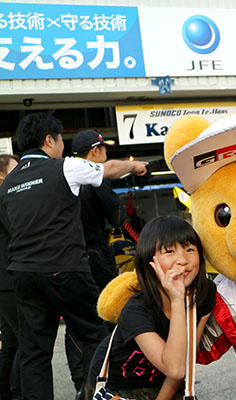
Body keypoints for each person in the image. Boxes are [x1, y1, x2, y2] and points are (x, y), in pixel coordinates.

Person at [0, 112, 148, 400]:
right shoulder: (64, 167)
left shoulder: (8, 184)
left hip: (23, 274)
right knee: (95, 333)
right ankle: (96, 394)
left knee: (34, 352)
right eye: (59, 140)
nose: (62, 147)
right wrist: (137, 166)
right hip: (64, 268)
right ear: (48, 140)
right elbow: (107, 168)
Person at [82, 216, 216, 400]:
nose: (182, 260)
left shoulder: (203, 294)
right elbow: (175, 369)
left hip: (164, 383)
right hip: (119, 388)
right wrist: (177, 301)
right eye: (169, 251)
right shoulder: (136, 309)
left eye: (190, 249)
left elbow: (182, 365)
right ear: (149, 261)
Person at [64, 130, 128, 393]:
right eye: (104, 149)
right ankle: (103, 379)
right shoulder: (95, 177)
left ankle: (80, 381)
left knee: (75, 321)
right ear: (94, 152)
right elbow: (117, 214)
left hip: (68, 258)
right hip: (96, 255)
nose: (106, 154)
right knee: (109, 313)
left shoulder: (63, 176)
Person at [0, 154, 20, 400]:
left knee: (12, 339)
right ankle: (17, 393)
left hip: (3, 280)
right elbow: (16, 231)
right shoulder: (4, 198)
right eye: (15, 170)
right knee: (27, 341)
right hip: (8, 277)